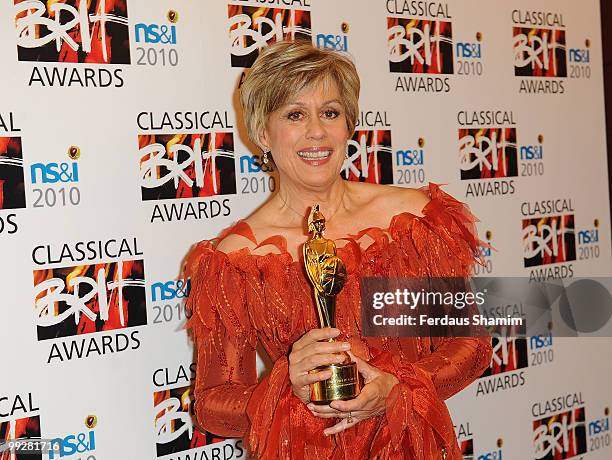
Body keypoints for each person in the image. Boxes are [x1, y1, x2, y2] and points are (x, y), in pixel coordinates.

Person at [184, 40, 493, 460]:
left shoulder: (411, 221)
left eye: (330, 112)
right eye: (295, 114)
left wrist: (399, 387)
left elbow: (470, 346)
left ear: (349, 124)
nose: (317, 131)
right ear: (261, 132)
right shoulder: (238, 260)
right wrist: (285, 382)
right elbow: (213, 404)